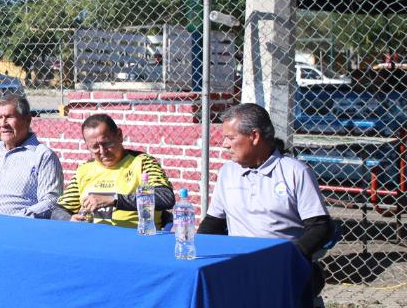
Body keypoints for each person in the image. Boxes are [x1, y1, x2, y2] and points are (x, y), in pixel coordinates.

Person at [199, 103, 334, 257]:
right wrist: (196, 249)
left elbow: (320, 227)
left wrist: (292, 256)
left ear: (254, 136)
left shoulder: (296, 172)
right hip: (237, 262)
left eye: (231, 138)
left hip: (280, 264)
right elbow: (213, 222)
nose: (225, 145)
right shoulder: (227, 172)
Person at [59, 113, 174, 228]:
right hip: (93, 238)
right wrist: (69, 219)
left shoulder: (142, 162)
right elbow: (58, 210)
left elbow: (165, 197)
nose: (103, 151)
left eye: (107, 143)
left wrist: (114, 200)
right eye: (95, 147)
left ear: (119, 135)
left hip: (136, 237)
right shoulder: (84, 170)